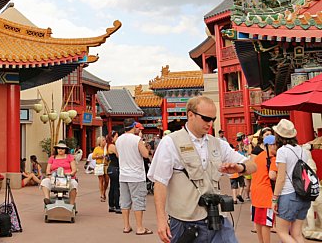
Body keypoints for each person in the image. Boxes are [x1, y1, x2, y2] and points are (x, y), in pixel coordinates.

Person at [148, 96, 257, 243]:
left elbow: (252, 165)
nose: (210, 123)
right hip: (184, 222)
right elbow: (160, 183)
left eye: (213, 119)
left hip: (216, 220)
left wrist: (240, 167)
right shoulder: (170, 143)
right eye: (206, 118)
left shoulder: (218, 144)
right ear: (190, 115)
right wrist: (161, 220)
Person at [272, 119, 312, 243]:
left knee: (282, 232)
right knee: (297, 234)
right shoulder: (303, 151)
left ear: (278, 135)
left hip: (289, 195)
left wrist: (274, 199)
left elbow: (281, 178)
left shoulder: (282, 151)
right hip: (304, 194)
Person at [116, 118, 152, 235]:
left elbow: (117, 155)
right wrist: (145, 144)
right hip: (136, 175)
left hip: (123, 175)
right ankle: (140, 227)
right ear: (134, 127)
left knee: (125, 201)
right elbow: (145, 154)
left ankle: (126, 226)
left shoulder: (118, 140)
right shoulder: (137, 139)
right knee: (138, 201)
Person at [251, 135, 277, 243]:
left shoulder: (258, 157)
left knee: (258, 220)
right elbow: (272, 176)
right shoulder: (273, 158)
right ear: (270, 145)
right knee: (266, 222)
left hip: (255, 191)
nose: (276, 147)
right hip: (266, 193)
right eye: (275, 145)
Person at [40, 141, 78, 206]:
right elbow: (48, 171)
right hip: (54, 178)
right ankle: (47, 199)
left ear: (65, 150)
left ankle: (71, 205)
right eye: (59, 148)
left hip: (67, 178)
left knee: (74, 184)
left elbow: (74, 170)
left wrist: (70, 174)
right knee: (44, 181)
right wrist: (49, 176)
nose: (60, 150)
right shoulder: (52, 158)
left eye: (62, 148)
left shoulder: (70, 157)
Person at [106, 130, 121, 213]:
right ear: (112, 138)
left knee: (112, 187)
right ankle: (117, 206)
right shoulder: (112, 146)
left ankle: (111, 205)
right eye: (116, 136)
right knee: (116, 187)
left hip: (112, 168)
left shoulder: (109, 145)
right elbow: (119, 155)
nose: (117, 138)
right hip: (115, 168)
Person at [93, 136, 109, 202]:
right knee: (101, 180)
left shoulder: (107, 148)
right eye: (103, 140)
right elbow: (93, 157)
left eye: (105, 140)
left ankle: (104, 191)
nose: (104, 141)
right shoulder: (97, 149)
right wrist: (99, 156)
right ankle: (102, 194)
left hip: (106, 165)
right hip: (99, 165)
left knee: (107, 180)